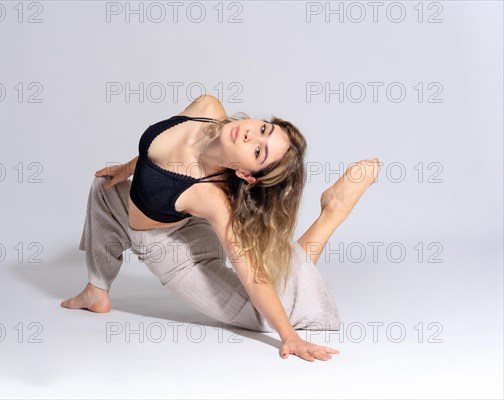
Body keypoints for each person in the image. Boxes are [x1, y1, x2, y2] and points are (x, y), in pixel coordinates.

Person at [61, 95, 381, 362]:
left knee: (259, 312)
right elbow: (153, 153)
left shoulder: (210, 197)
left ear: (245, 172)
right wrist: (126, 169)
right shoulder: (207, 109)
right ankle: (96, 290)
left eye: (258, 151)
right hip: (183, 218)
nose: (249, 135)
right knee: (104, 185)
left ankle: (331, 215)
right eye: (262, 129)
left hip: (179, 256)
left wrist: (289, 337)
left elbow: (252, 273)